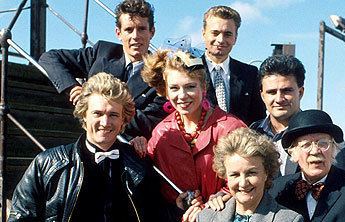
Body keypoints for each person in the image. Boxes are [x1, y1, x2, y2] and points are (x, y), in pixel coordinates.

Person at [8, 73, 163, 221]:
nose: (105, 122)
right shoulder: (47, 164)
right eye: (97, 113)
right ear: (84, 115)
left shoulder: (140, 164)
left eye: (113, 115)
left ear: (124, 119)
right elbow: (22, 216)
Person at [141, 49, 246, 221]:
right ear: (166, 92)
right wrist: (176, 201)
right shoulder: (161, 134)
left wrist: (223, 196)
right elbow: (154, 188)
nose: (182, 96)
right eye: (174, 88)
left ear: (203, 87)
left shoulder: (231, 128)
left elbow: (252, 176)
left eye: (190, 86)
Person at [38, 0, 167, 139]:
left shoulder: (162, 73)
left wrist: (97, 107)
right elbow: (49, 58)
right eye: (129, 30)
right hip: (87, 140)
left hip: (128, 147)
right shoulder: (102, 52)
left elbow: (147, 122)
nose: (135, 36)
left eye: (141, 29)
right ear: (118, 33)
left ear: (152, 32)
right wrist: (72, 88)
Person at [269, 109, 345, 221]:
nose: (315, 151)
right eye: (306, 145)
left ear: (334, 149)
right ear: (293, 153)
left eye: (322, 143)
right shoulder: (278, 189)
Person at [251, 55, 345, 176]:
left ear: (300, 92)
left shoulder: (323, 133)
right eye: (271, 92)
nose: (279, 99)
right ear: (262, 95)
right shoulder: (252, 133)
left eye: (286, 91)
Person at [187, 128, 302, 222]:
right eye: (235, 175)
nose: (243, 183)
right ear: (225, 176)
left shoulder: (289, 219)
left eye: (251, 173)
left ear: (266, 173)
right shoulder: (206, 217)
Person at [201, 5, 265, 126]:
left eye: (227, 34)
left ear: (235, 37)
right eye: (215, 33)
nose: (220, 39)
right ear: (204, 33)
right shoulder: (189, 71)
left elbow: (258, 118)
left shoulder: (250, 74)